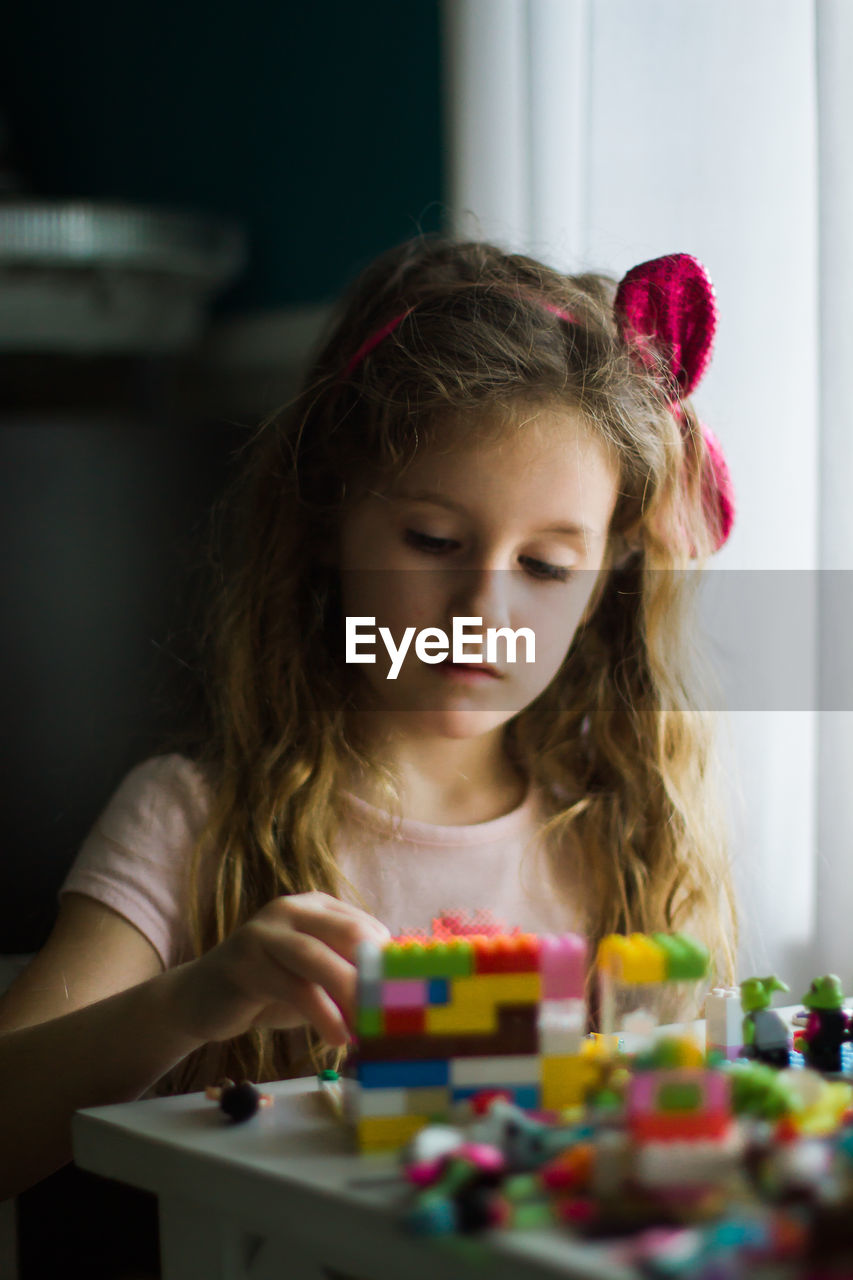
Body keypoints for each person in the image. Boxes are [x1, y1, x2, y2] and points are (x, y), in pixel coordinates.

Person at [0, 237, 738, 1200]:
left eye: (548, 566)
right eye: (433, 540)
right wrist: (195, 998)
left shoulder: (621, 836)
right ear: (326, 522)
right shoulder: (193, 821)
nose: (483, 613)